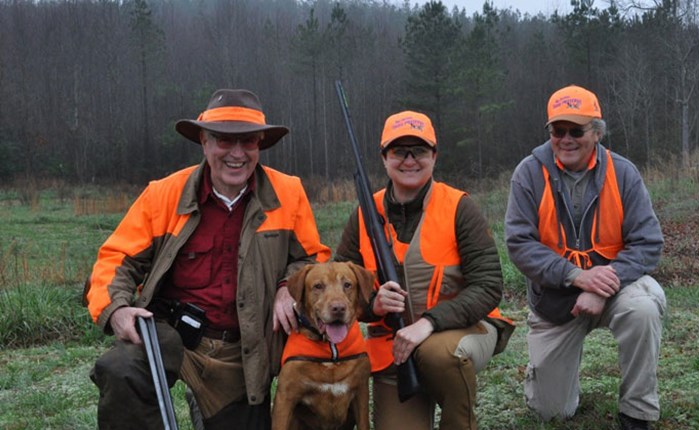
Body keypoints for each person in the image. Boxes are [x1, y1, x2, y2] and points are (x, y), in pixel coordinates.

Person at [83, 89, 330, 429]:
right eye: (224, 140)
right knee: (121, 369)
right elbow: (116, 258)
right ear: (204, 141)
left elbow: (313, 259)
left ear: (260, 144)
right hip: (168, 335)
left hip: (240, 352)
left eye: (248, 141)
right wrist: (117, 310)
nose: (237, 154)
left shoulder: (288, 193)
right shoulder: (163, 194)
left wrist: (289, 286)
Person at [335, 110, 515, 430]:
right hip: (395, 351)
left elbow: (488, 286)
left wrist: (429, 322)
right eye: (399, 151)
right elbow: (340, 288)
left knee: (438, 354)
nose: (409, 160)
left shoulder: (458, 207)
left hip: (462, 332)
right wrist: (373, 304)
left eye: (418, 150)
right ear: (384, 158)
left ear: (434, 156)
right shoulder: (364, 214)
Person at [504, 85, 667, 430]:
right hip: (555, 301)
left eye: (576, 131)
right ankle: (558, 383)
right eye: (557, 130)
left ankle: (636, 413)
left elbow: (648, 242)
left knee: (643, 307)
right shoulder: (528, 173)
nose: (566, 139)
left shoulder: (623, 173)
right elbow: (519, 244)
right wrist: (576, 277)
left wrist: (602, 286)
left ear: (596, 132)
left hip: (614, 289)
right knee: (551, 412)